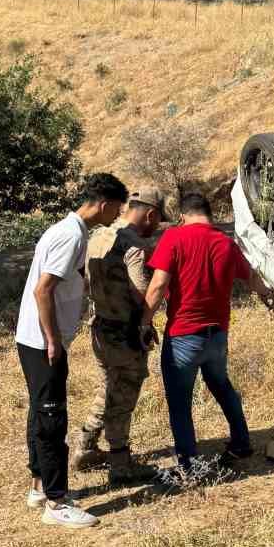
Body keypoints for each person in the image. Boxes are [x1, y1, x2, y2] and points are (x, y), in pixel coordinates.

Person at [14, 172, 128, 527]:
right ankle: (57, 502)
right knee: (51, 418)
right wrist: (53, 340)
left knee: (39, 412)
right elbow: (43, 290)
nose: (116, 218)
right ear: (105, 204)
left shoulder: (67, 230)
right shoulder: (70, 236)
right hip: (42, 340)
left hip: (32, 337)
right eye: (117, 211)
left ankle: (39, 486)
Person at [142, 190, 274, 473]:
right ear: (209, 215)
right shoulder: (225, 243)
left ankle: (189, 467)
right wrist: (265, 294)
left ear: (182, 216)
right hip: (217, 335)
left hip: (183, 335)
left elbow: (157, 286)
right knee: (221, 385)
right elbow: (251, 275)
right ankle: (241, 443)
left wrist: (143, 321)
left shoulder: (174, 238)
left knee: (179, 401)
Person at [72, 186, 165, 483]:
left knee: (108, 387)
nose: (156, 227)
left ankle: (86, 446)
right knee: (123, 395)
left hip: (100, 326)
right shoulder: (132, 245)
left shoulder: (97, 237)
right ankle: (120, 464)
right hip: (125, 331)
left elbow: (84, 283)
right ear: (150, 214)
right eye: (158, 220)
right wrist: (147, 320)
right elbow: (141, 290)